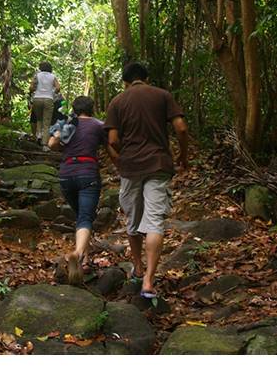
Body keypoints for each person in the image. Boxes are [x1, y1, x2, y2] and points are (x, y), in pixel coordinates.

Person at [104, 62, 189, 299]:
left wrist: (125, 156)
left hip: (130, 167)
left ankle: (138, 267)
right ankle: (149, 281)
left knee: (133, 218)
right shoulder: (162, 95)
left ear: (125, 82)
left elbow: (112, 140)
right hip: (158, 164)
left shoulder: (117, 102)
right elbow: (181, 128)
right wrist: (183, 155)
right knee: (154, 222)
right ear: (146, 78)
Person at [48, 96, 108, 286]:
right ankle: (79, 254)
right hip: (88, 173)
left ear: (74, 109)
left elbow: (51, 145)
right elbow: (111, 145)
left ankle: (86, 261)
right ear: (92, 108)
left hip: (66, 174)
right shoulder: (99, 125)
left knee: (81, 216)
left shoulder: (66, 124)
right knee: (85, 218)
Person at [29, 61, 60, 150]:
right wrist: (53, 93)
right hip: (48, 99)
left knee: (39, 118)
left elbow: (31, 87)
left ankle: (38, 135)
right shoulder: (53, 76)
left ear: (41, 68)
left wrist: (34, 91)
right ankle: (44, 145)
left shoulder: (37, 75)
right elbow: (58, 88)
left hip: (37, 99)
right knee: (46, 122)